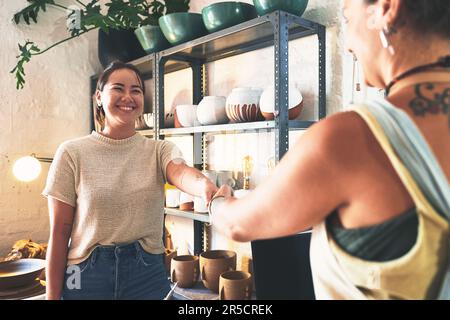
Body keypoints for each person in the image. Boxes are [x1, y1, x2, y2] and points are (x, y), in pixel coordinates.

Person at [209, 0, 450, 299]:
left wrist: (218, 202)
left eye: (348, 18)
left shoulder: (351, 137)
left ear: (385, 8)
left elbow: (238, 225)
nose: (348, 45)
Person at [42, 61, 218, 300]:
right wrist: (52, 297)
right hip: (83, 273)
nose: (128, 97)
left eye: (136, 90)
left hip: (146, 273)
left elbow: (181, 171)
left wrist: (204, 186)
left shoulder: (159, 150)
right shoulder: (72, 153)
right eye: (118, 88)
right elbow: (59, 233)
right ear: (99, 97)